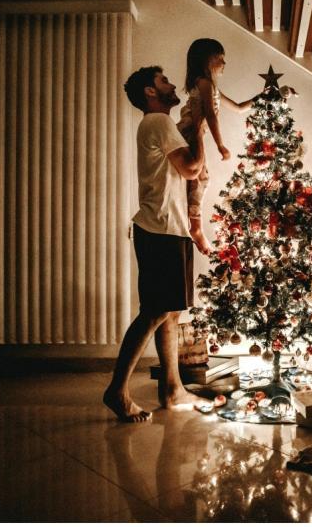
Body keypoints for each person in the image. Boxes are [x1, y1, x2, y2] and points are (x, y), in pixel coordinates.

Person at [103, 65, 209, 422]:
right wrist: (203, 129)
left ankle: (172, 388)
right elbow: (192, 168)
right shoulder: (158, 122)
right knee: (155, 310)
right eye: (163, 81)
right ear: (150, 92)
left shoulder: (158, 126)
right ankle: (117, 390)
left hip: (169, 227)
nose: (171, 84)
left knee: (169, 310)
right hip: (161, 228)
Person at [177, 38, 257, 255]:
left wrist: (262, 97)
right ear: (206, 61)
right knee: (199, 178)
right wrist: (221, 145)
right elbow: (210, 115)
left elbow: (239, 108)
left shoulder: (212, 88)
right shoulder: (204, 83)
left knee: (199, 179)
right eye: (220, 58)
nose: (224, 63)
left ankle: (194, 225)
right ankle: (195, 228)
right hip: (189, 135)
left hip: (194, 135)